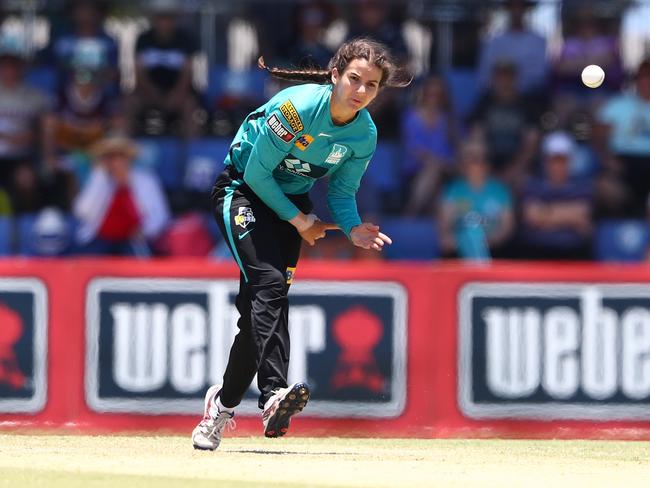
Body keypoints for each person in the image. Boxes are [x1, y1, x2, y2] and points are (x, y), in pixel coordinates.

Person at [191, 38, 409, 451]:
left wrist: (353, 228)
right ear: (335, 75)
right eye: (354, 79)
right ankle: (267, 394)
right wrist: (301, 221)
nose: (361, 91)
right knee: (270, 289)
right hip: (241, 192)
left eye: (372, 85)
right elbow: (257, 174)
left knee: (264, 306)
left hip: (291, 205)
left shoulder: (364, 134)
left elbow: (342, 193)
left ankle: (225, 407)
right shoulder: (295, 108)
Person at [72, 135, 171, 256]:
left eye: (119, 156)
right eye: (110, 157)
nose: (115, 161)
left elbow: (160, 215)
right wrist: (100, 177)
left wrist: (145, 231)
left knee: (138, 262)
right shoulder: (100, 179)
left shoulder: (145, 180)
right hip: (101, 238)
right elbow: (82, 211)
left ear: (128, 158)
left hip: (134, 239)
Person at [520, 131, 593, 260]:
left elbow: (582, 215)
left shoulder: (582, 188)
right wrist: (569, 216)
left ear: (571, 161)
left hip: (573, 255)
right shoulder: (533, 186)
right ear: (545, 161)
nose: (558, 166)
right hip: (537, 254)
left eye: (563, 160)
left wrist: (545, 213)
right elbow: (532, 216)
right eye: (554, 160)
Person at [438, 139, 514, 260]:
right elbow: (445, 226)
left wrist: (491, 240)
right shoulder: (453, 190)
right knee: (469, 235)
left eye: (480, 159)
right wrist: (453, 240)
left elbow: (507, 227)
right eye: (470, 159)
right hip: (459, 250)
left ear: (487, 163)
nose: (475, 164)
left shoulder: (500, 190)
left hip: (493, 249)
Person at [400, 75, 457, 215]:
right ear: (424, 93)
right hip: (417, 170)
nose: (434, 98)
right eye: (431, 94)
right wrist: (437, 162)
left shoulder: (448, 119)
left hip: (447, 169)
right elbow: (414, 149)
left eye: (438, 94)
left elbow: (457, 145)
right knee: (432, 172)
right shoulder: (411, 117)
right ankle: (411, 212)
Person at [476, 0, 547, 96]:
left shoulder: (538, 40)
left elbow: (540, 75)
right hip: (496, 99)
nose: (516, 11)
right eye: (512, 6)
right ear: (506, 9)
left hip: (529, 99)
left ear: (526, 9)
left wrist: (515, 88)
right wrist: (503, 87)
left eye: (520, 6)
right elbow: (484, 76)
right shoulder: (493, 41)